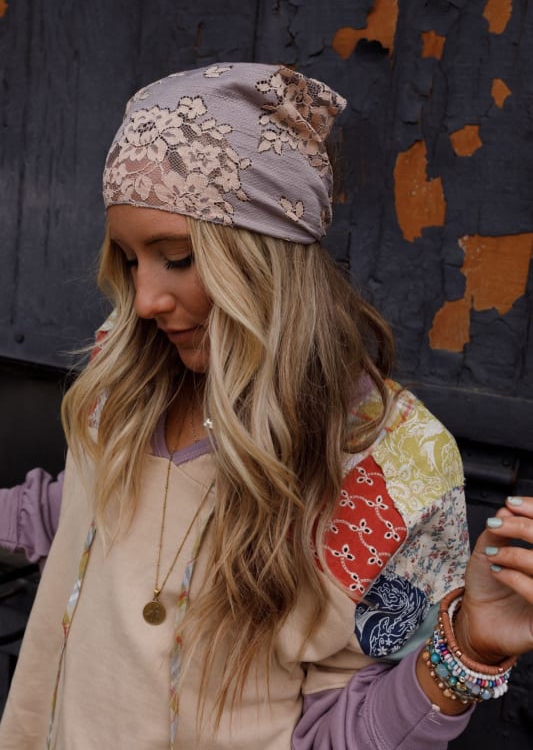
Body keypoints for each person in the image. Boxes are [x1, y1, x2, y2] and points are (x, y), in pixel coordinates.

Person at [0, 62, 532, 750]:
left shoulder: (394, 470)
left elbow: (347, 731)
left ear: (264, 254)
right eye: (130, 260)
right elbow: (79, 511)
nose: (145, 299)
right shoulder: (126, 366)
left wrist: (471, 651)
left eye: (176, 257)